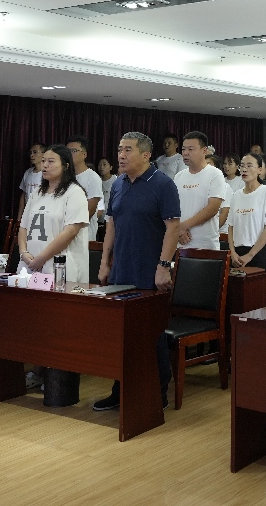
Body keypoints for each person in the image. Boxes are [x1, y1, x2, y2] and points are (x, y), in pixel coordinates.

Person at [95, 132, 180, 412]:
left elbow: (173, 228)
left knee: (151, 334)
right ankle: (120, 390)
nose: (121, 155)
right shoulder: (118, 184)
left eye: (128, 150)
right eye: (120, 149)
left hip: (150, 271)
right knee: (121, 334)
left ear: (145, 155)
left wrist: (163, 266)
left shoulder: (163, 184)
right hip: (121, 270)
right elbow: (111, 225)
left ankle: (157, 391)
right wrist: (105, 263)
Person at [17, 144, 90, 281]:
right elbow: (23, 226)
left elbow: (70, 232)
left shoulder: (74, 192)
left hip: (60, 267)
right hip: (30, 265)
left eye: (51, 161)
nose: (45, 165)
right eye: (43, 161)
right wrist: (23, 252)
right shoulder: (37, 192)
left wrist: (42, 258)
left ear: (66, 166)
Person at [174, 131, 226, 250]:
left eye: (191, 149)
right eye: (183, 149)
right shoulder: (179, 176)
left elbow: (212, 209)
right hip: (180, 243)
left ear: (204, 150)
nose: (186, 153)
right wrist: (178, 230)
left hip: (205, 244)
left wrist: (183, 226)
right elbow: (173, 208)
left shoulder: (215, 174)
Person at [227, 152, 266, 269]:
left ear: (259, 170)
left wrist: (250, 255)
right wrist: (232, 253)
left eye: (249, 166)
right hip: (237, 254)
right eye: (242, 166)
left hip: (259, 252)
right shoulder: (236, 195)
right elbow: (231, 226)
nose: (244, 169)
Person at [66, 135, 103, 241]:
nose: (69, 154)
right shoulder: (64, 175)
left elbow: (89, 211)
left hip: (83, 236)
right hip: (64, 233)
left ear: (84, 154)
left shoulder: (92, 177)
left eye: (74, 151)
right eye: (67, 151)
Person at [17, 142, 44, 218]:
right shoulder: (28, 172)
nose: (32, 155)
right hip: (28, 215)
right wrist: (19, 218)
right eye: (30, 152)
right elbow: (24, 194)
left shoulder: (48, 173)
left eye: (35, 152)